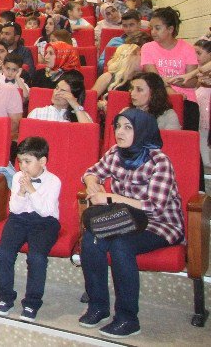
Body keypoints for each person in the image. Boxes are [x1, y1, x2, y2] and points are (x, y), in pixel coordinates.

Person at [79, 109, 184, 337]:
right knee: (91, 239)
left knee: (121, 245)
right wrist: (92, 183)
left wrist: (110, 198)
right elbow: (91, 172)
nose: (119, 132)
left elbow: (155, 206)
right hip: (125, 219)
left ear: (142, 131)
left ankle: (128, 319)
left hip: (161, 224)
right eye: (118, 126)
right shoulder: (115, 153)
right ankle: (98, 306)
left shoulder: (159, 161)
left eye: (128, 127)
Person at [0, 136, 61, 321]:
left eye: (28, 162)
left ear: (42, 161)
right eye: (20, 161)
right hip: (19, 218)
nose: (23, 166)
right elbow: (15, 208)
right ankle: (5, 298)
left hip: (45, 222)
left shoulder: (53, 181)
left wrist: (31, 189)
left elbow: (45, 210)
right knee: (5, 252)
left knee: (37, 258)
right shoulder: (17, 177)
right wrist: (21, 192)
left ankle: (32, 303)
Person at [141, 7, 199, 130]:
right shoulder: (147, 48)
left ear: (170, 29)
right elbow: (154, 78)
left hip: (187, 100)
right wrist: (172, 91)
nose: (153, 32)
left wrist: (167, 80)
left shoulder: (187, 48)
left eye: (157, 28)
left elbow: (192, 81)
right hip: (158, 98)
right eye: (151, 28)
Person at [27, 71, 93, 123]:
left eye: (63, 91)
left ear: (74, 98)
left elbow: (89, 134)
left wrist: (75, 105)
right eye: (56, 88)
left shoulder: (81, 116)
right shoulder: (37, 113)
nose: (56, 93)